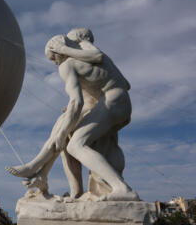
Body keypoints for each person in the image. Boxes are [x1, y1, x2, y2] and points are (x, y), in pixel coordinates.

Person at [7, 28, 138, 201]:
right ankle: (43, 174)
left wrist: (63, 131)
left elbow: (77, 102)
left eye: (53, 58)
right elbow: (125, 84)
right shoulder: (96, 61)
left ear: (59, 49)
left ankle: (121, 188)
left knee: (75, 144)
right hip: (117, 101)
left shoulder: (69, 63)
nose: (55, 63)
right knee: (65, 124)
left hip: (112, 101)